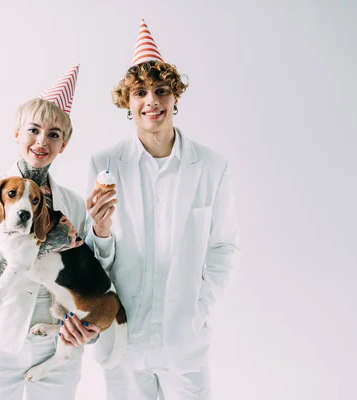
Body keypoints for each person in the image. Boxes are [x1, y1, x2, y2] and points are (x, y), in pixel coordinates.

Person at [86, 20, 242, 399]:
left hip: (184, 344)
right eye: (140, 92)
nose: (151, 100)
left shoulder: (211, 167)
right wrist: (101, 231)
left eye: (161, 90)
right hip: (125, 339)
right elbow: (91, 261)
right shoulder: (105, 164)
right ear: (128, 102)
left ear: (175, 97)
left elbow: (224, 248)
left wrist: (197, 308)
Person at [0, 65, 117, 400]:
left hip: (55, 345)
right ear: (17, 133)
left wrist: (100, 229)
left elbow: (90, 272)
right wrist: (14, 251)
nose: (42, 141)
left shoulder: (73, 203)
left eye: (54, 134)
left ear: (64, 144)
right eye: (33, 129)